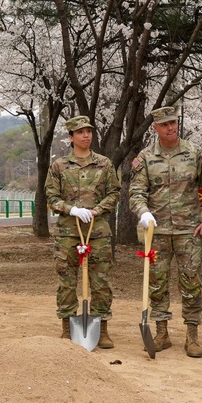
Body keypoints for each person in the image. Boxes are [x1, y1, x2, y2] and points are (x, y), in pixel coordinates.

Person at [129, 104, 202, 358]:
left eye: (174, 123)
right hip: (156, 233)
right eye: (166, 124)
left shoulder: (195, 154)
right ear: (155, 128)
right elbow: (136, 192)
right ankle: (162, 333)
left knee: (191, 282)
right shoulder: (146, 157)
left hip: (188, 231)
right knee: (157, 283)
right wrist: (143, 211)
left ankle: (192, 336)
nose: (171, 127)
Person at [44, 115, 121, 348]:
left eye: (89, 131)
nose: (86, 135)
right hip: (68, 231)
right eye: (80, 132)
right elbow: (51, 196)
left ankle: (102, 328)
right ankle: (67, 327)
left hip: (97, 232)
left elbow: (114, 193)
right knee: (67, 280)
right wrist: (72, 209)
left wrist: (98, 210)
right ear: (71, 137)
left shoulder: (105, 164)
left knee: (100, 280)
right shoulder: (59, 166)